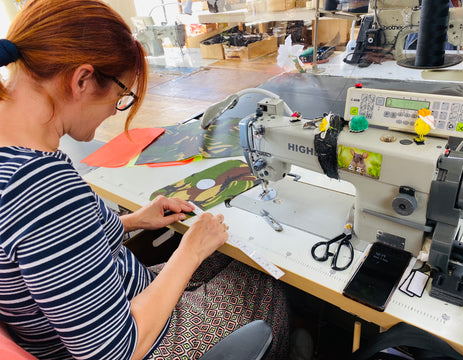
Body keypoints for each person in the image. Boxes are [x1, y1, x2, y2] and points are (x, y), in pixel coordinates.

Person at [0, 0, 289, 359]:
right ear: (83, 80)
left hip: (118, 296)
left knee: (232, 258)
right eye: (121, 96)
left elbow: (57, 250)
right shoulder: (43, 188)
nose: (113, 110)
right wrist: (190, 250)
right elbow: (113, 351)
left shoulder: (17, 161)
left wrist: (135, 221)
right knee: (265, 284)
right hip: (143, 338)